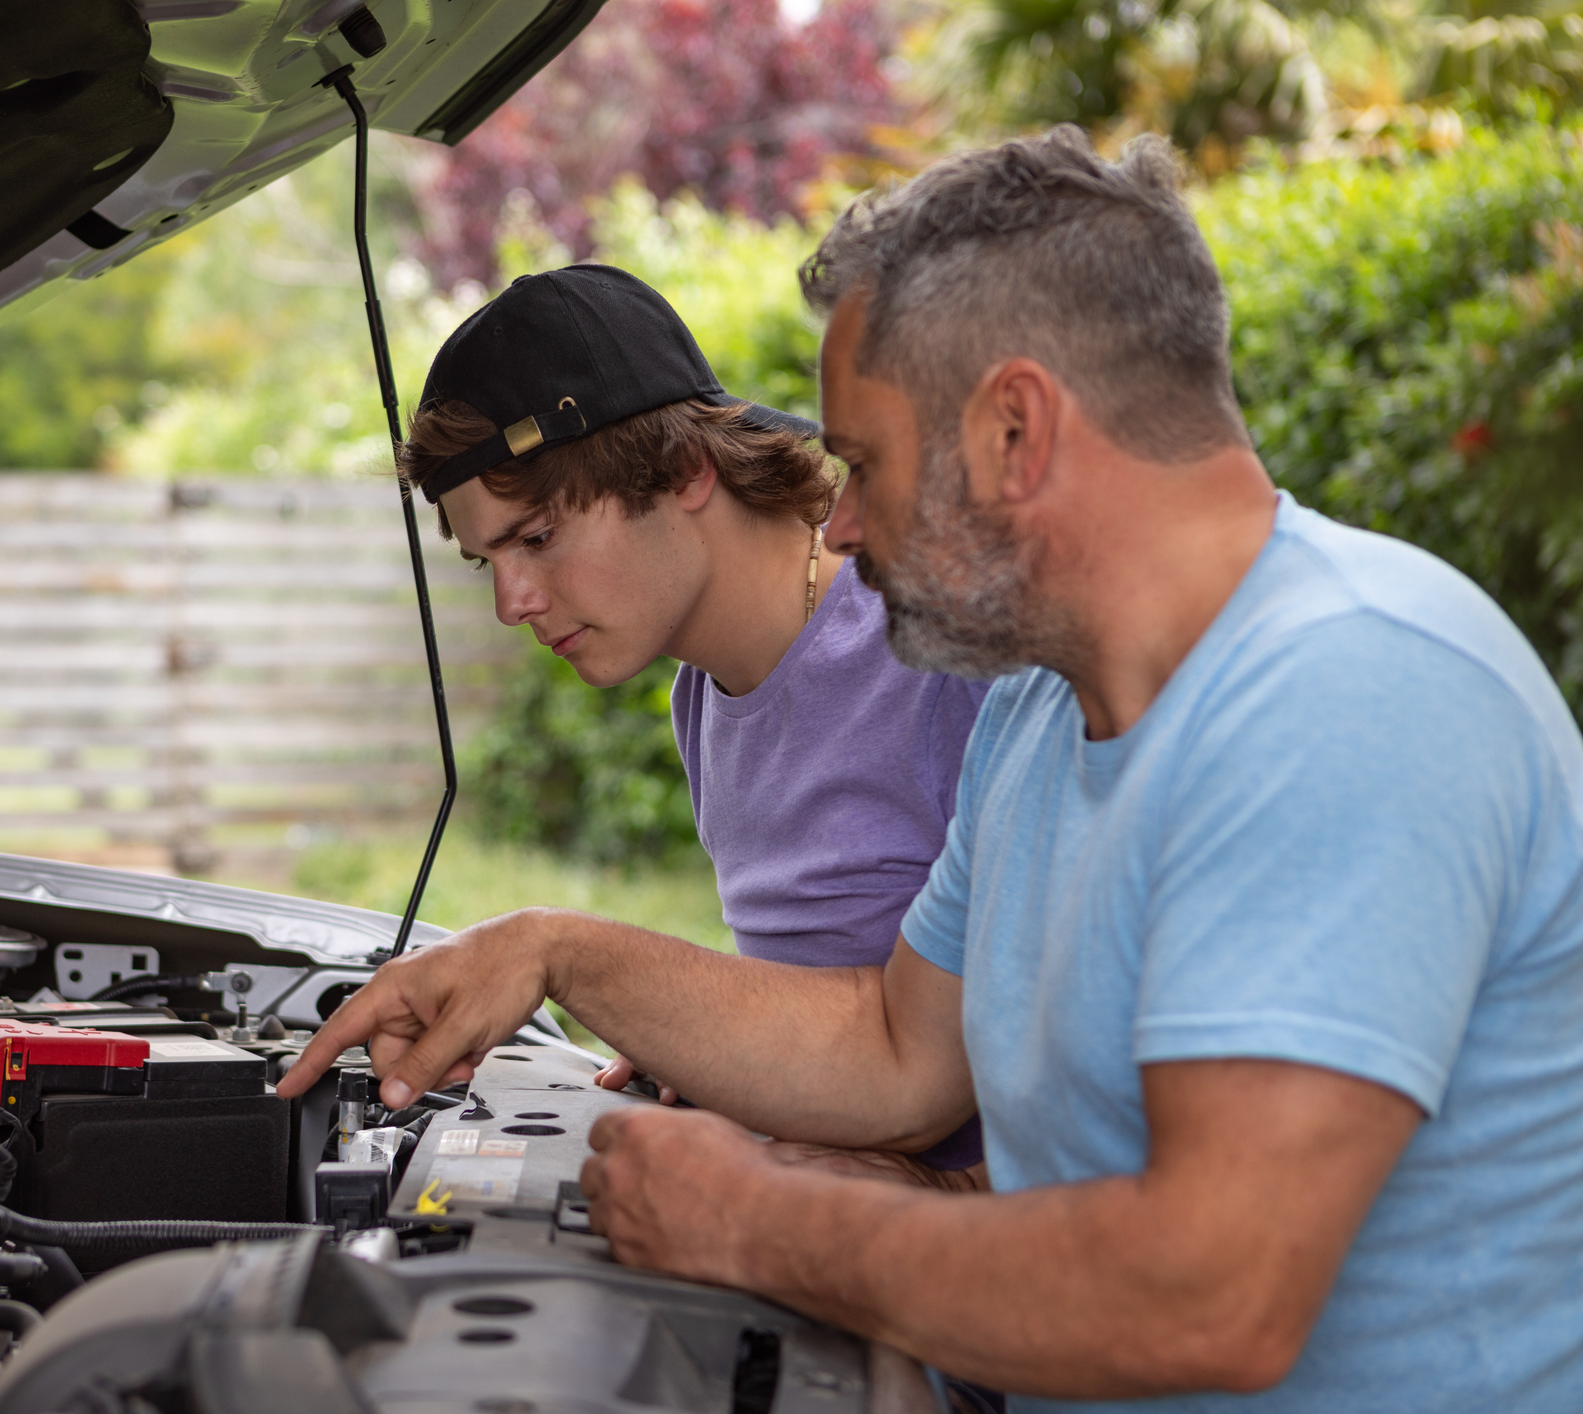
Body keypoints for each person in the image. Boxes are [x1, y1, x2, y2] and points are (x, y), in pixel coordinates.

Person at [283, 126, 1583, 1410]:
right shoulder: (1035, 710)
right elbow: (899, 1048)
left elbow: (1208, 1293)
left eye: (863, 464)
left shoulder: (1343, 694)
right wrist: (556, 952)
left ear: (1015, 429)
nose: (835, 522)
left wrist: (759, 1221)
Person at [398, 264, 985, 1167]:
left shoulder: (947, 656)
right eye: (488, 562)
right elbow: (829, 979)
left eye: (539, 537)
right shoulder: (702, 702)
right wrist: (710, 1027)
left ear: (684, 469)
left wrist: (946, 1206)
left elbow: (1085, 1061)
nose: (510, 604)